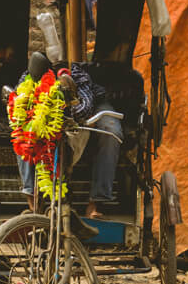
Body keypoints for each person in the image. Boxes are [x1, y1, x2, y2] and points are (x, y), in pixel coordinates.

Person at [17, 52, 122, 220]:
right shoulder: (29, 76)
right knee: (23, 130)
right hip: (47, 111)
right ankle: (32, 203)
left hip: (93, 105)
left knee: (111, 133)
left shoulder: (76, 73)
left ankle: (96, 202)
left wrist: (61, 110)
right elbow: (19, 102)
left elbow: (85, 107)